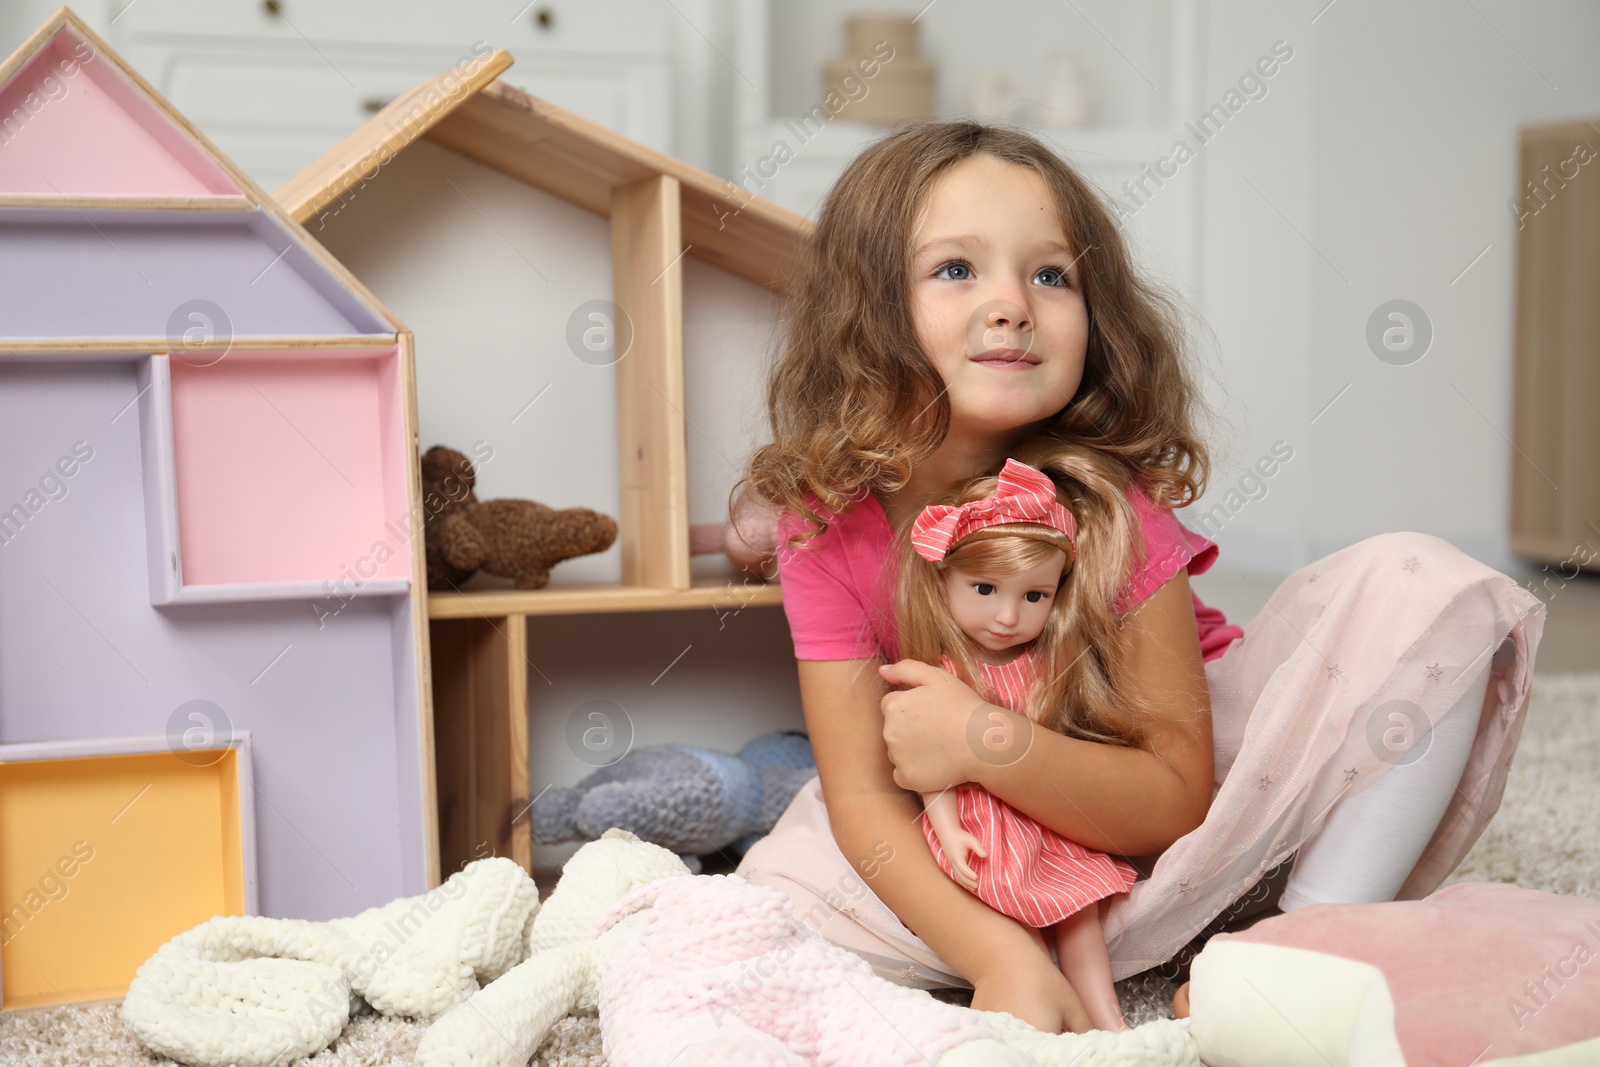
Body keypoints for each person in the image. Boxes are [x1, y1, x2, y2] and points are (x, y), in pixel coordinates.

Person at [730, 120, 1545, 1035]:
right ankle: (1047, 935)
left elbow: (1173, 798)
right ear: (867, 311)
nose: (1013, 304)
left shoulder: (1106, 502)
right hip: (981, 830)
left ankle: (1299, 937)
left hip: (1170, 814)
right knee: (765, 903)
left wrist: (985, 739)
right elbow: (866, 800)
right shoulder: (826, 525)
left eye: (1051, 274)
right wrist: (998, 958)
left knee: (1435, 593)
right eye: (957, 269)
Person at [902, 456, 1141, 1032]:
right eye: (985, 589)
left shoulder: (1050, 667)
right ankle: (1035, 1008)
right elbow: (925, 761)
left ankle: (1107, 1021)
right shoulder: (946, 672)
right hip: (986, 821)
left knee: (1078, 911)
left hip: (1046, 811)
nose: (1008, 616)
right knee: (1015, 909)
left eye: (1035, 596)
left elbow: (1063, 746)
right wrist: (951, 827)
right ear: (943, 581)